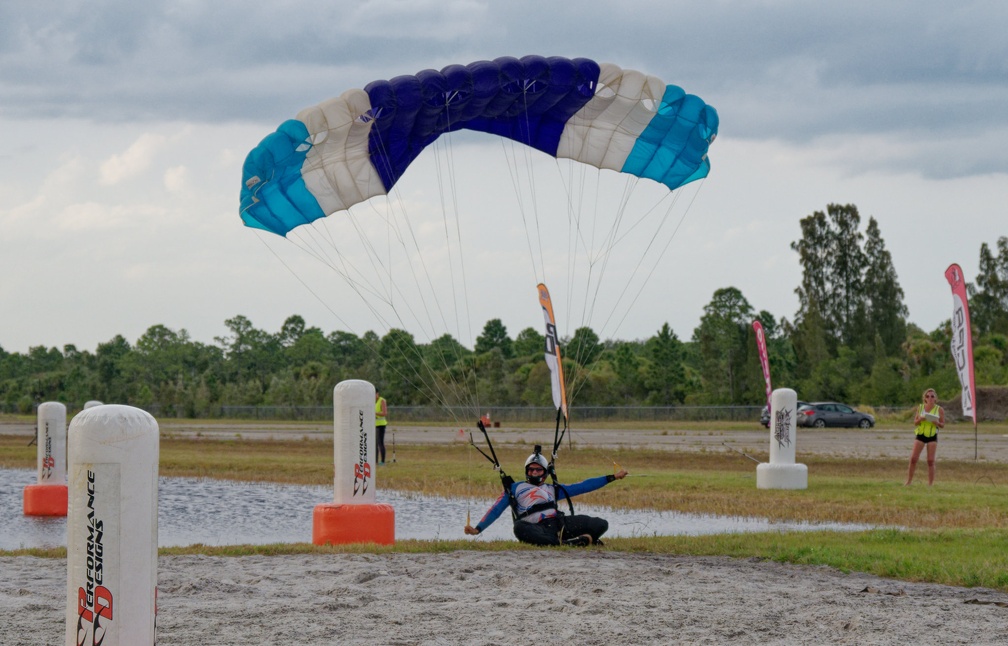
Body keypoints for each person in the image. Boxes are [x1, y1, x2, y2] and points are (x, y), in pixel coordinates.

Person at [464, 448, 628, 546]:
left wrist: (612, 477)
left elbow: (583, 486)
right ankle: (571, 543)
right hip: (537, 528)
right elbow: (496, 509)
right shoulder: (514, 488)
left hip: (559, 524)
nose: (534, 473)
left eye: (538, 470)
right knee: (519, 528)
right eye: (531, 470)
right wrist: (478, 529)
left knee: (600, 524)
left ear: (545, 472)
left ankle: (575, 540)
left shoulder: (552, 489)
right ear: (526, 471)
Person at [905, 388, 944, 486]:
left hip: (932, 435)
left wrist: (937, 423)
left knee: (930, 461)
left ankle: (930, 484)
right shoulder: (920, 408)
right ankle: (908, 481)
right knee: (913, 459)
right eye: (927, 396)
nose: (930, 398)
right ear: (924, 398)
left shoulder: (939, 409)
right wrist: (921, 419)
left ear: (935, 398)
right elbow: (915, 422)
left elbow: (943, 424)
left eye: (932, 396)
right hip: (921, 435)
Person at [375, 389, 388, 465]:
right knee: (374, 444)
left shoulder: (382, 400)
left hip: (381, 425)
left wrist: (374, 413)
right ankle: (375, 461)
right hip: (374, 424)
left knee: (380, 443)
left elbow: (384, 413)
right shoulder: (371, 402)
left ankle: (382, 461)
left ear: (377, 394)